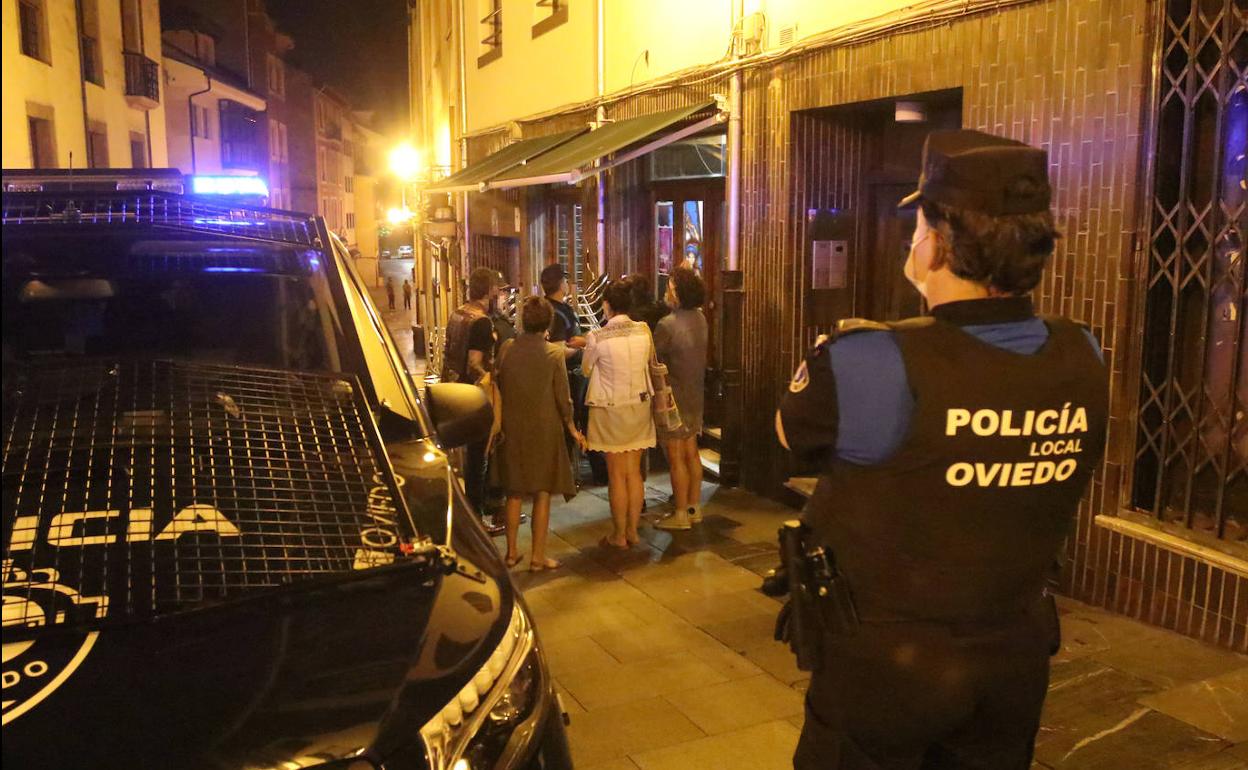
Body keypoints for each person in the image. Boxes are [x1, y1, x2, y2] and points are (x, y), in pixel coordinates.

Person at [776, 130, 1109, 769]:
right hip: (1014, 659)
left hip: (887, 671)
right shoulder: (1083, 353)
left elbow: (791, 436)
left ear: (937, 241)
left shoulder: (868, 360)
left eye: (919, 223)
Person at [495, 296, 586, 571]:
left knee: (514, 492)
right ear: (548, 322)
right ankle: (537, 556)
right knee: (542, 493)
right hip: (545, 429)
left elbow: (498, 383)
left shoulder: (507, 349)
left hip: (512, 428)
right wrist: (572, 429)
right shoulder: (553, 354)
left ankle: (511, 554)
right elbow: (563, 397)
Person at [583, 280, 656, 548]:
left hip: (610, 409)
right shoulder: (644, 332)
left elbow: (587, 369)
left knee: (616, 475)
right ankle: (634, 531)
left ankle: (619, 534)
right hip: (639, 405)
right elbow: (649, 362)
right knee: (633, 472)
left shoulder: (598, 337)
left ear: (607, 305)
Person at [441, 267, 503, 534]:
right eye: (497, 289)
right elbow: (474, 363)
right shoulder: (481, 321)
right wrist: (493, 375)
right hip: (473, 396)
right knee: (478, 458)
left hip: (452, 392)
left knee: (463, 459)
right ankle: (477, 520)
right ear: (489, 290)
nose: (500, 293)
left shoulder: (457, 313)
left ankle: (467, 516)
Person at [653, 265, 709, 531]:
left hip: (673, 398)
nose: (666, 292)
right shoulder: (701, 318)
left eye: (669, 287)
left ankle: (680, 513)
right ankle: (694, 508)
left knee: (676, 456)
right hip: (695, 393)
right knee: (691, 453)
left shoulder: (667, 325)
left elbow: (653, 360)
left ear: (677, 292)